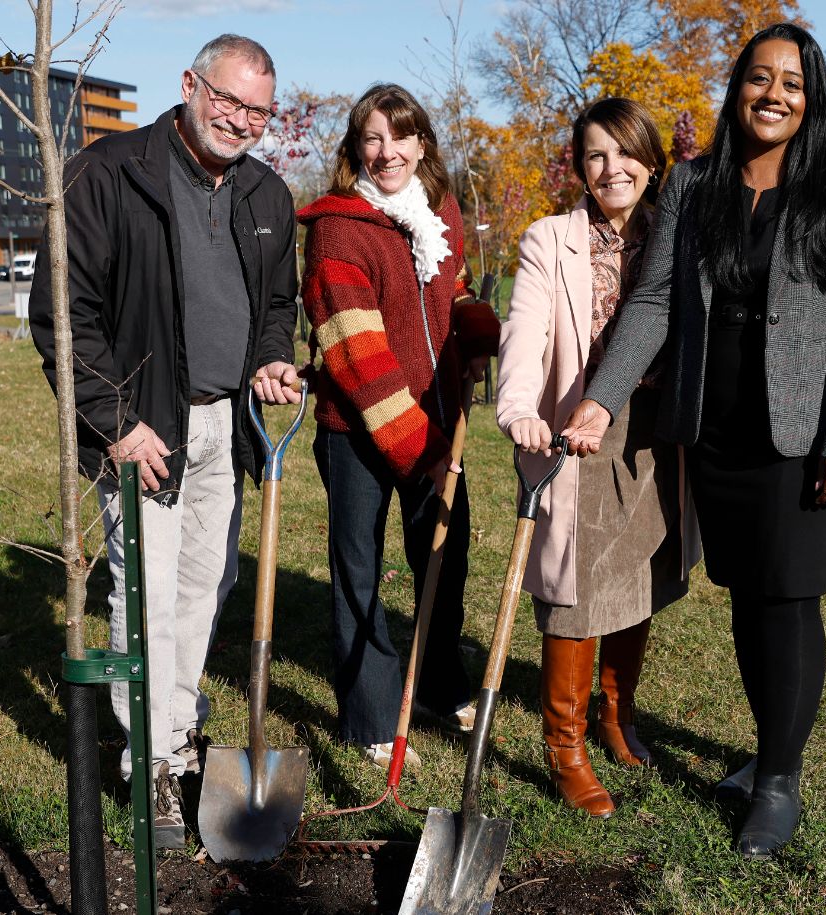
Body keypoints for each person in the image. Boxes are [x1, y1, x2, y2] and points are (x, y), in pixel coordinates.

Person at [562, 23, 826, 857]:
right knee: (747, 593)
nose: (772, 94)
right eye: (758, 78)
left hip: (800, 433)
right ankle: (769, 750)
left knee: (789, 598)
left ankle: (778, 778)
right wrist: (600, 400)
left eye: (791, 82)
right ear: (736, 89)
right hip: (715, 428)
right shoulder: (695, 185)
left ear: (809, 98)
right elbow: (654, 302)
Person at [28, 33, 302, 849]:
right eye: (229, 100)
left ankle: (178, 731)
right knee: (144, 595)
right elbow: (62, 315)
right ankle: (144, 759)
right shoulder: (109, 176)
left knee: (205, 586)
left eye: (259, 109)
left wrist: (271, 359)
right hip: (146, 422)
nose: (242, 120)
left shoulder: (265, 194)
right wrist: (115, 422)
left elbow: (277, 302)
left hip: (226, 424)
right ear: (189, 84)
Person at [495, 98, 696, 818]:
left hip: (659, 430)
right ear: (579, 167)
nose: (611, 169)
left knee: (639, 577)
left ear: (652, 157)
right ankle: (565, 745)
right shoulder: (550, 239)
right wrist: (518, 407)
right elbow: (525, 331)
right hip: (577, 432)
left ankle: (617, 714)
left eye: (624, 152)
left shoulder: (680, 234)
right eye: (594, 156)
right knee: (574, 594)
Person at [298, 83, 500, 769]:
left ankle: (441, 684)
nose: (388, 152)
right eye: (373, 139)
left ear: (422, 143)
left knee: (444, 560)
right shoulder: (336, 227)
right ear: (356, 147)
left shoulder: (438, 209)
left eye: (401, 136)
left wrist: (476, 330)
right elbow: (356, 356)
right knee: (358, 572)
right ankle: (370, 715)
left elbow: (458, 286)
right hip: (358, 429)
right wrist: (422, 448)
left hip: (440, 421)